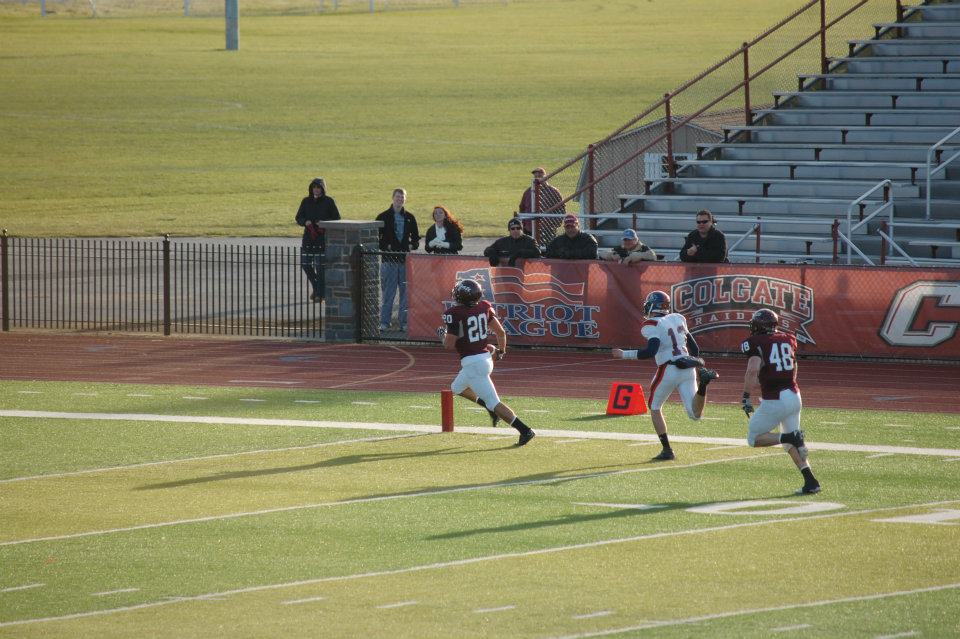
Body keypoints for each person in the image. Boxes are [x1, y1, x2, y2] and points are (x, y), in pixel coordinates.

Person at [612, 290, 719, 461]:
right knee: (694, 415)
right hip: (688, 367)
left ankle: (667, 450)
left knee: (654, 407)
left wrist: (624, 354)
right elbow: (695, 349)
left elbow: (650, 351)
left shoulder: (651, 324)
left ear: (652, 305)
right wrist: (698, 369)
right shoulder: (678, 317)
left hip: (668, 369)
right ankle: (704, 385)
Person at [437, 279, 536, 446]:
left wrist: (442, 334)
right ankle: (490, 409)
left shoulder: (455, 313)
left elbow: (448, 344)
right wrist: (501, 351)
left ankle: (525, 430)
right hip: (484, 358)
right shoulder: (483, 307)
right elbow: (501, 333)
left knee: (494, 402)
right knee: (457, 388)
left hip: (473, 363)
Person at [740, 308, 821, 495]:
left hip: (774, 398)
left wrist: (745, 396)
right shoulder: (788, 338)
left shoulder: (755, 342)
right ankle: (811, 481)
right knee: (791, 444)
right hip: (794, 394)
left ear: (759, 326)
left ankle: (790, 437)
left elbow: (752, 370)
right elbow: (794, 365)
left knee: (754, 438)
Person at [375, 188, 420, 332]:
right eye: (397, 197)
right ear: (392, 198)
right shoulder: (383, 216)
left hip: (405, 261)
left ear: (405, 199)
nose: (400, 199)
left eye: (402, 197)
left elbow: (416, 239)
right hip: (389, 261)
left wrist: (411, 245)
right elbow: (376, 238)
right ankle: (384, 322)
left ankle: (404, 323)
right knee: (388, 294)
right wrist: (386, 246)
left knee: (405, 294)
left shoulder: (410, 217)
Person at [296, 177, 341, 302]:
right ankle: (319, 289)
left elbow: (337, 218)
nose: (316, 190)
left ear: (322, 189)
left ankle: (319, 294)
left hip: (322, 239)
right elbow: (298, 217)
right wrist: (305, 222)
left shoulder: (329, 201)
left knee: (320, 268)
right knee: (305, 265)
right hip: (309, 239)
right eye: (314, 187)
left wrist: (324, 223)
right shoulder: (306, 201)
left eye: (318, 187)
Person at [517, 167, 565, 239]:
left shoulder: (553, 191)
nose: (537, 179)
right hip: (529, 228)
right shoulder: (528, 192)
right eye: (535, 177)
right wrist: (524, 224)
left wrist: (555, 224)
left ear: (545, 177)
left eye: (540, 176)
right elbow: (522, 208)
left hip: (547, 228)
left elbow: (561, 209)